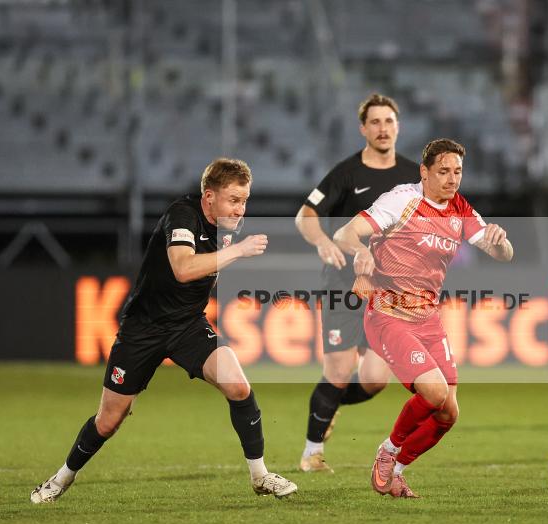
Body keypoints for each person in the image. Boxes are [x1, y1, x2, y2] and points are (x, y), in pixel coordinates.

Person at [31, 158, 298, 503]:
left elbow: (211, 271)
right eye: (234, 200)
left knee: (238, 386)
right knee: (109, 420)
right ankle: (61, 479)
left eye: (245, 200)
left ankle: (260, 476)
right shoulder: (182, 216)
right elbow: (183, 269)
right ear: (209, 196)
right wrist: (238, 251)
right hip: (143, 328)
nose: (240, 209)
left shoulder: (228, 225)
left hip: (187, 325)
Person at [333, 138, 513, 498]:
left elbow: (503, 254)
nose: (452, 179)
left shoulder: (460, 208)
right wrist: (360, 252)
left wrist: (500, 240)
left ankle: (397, 471)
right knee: (434, 391)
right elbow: (344, 233)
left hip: (427, 319)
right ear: (424, 172)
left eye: (457, 171)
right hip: (388, 314)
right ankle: (387, 451)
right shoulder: (402, 200)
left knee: (448, 414)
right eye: (443, 171)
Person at [294, 93, 419, 472]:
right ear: (363, 129)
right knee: (338, 369)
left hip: (388, 291)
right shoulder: (346, 174)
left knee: (376, 380)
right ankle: (312, 453)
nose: (383, 128)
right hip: (343, 285)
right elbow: (305, 215)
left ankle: (329, 405)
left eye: (389, 121)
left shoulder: (414, 176)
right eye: (375, 122)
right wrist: (322, 241)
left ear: (398, 127)